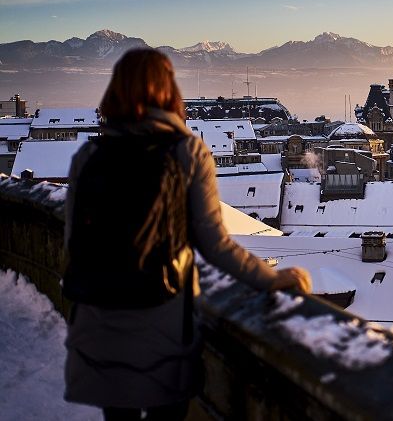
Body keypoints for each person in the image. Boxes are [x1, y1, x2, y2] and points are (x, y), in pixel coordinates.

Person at [63, 48, 311, 420]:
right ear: (168, 91)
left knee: (117, 414)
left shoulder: (89, 155)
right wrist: (271, 279)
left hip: (99, 316)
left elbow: (73, 245)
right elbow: (215, 244)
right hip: (163, 315)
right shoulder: (187, 151)